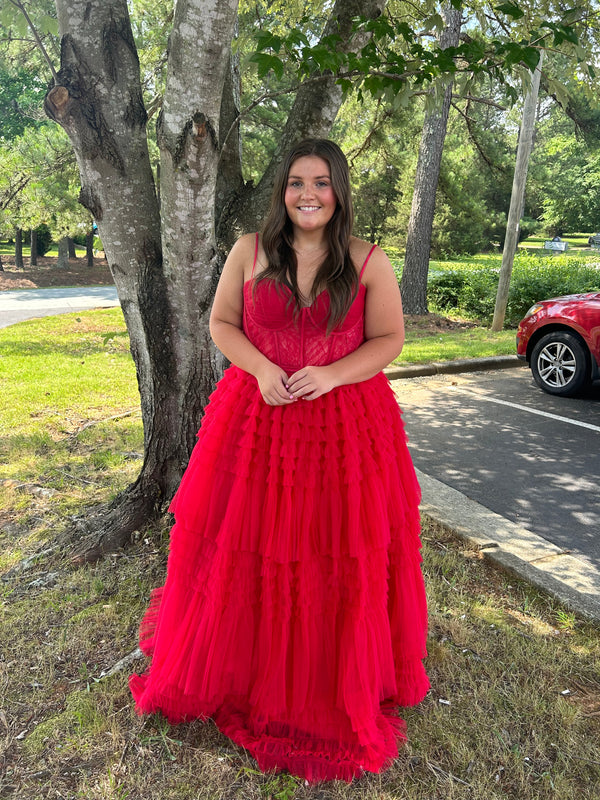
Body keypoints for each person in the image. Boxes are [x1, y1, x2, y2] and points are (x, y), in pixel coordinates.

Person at [130, 139, 429, 783]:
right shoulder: (250, 251)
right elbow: (220, 323)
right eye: (296, 183)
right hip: (254, 418)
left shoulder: (367, 261)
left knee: (332, 549)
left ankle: (326, 678)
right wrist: (264, 367)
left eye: (320, 183)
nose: (308, 195)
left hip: (343, 426)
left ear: (339, 191)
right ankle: (246, 669)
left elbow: (390, 339)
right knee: (250, 545)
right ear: (282, 191)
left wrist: (331, 374)